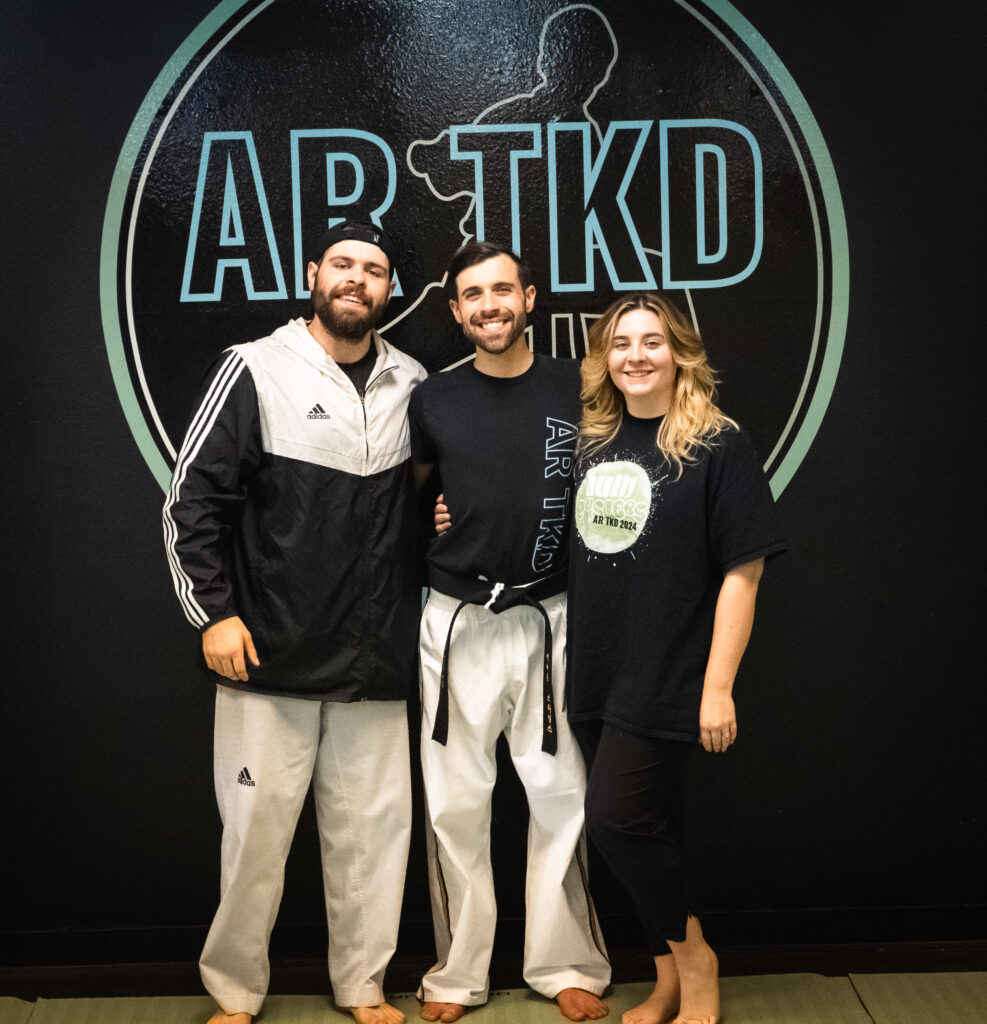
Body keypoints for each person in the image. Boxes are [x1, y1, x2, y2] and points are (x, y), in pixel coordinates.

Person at [162, 215, 426, 1024]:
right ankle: (235, 997)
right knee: (253, 845)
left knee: (373, 845)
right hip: (267, 658)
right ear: (314, 273)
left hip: (374, 662)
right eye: (342, 264)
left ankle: (363, 989)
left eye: (372, 270)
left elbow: (433, 500)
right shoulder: (254, 368)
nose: (356, 279)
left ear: (390, 291)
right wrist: (213, 614)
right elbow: (190, 505)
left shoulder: (414, 381)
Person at [565, 293, 787, 1024]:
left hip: (669, 672)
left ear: (679, 353)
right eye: (619, 344)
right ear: (604, 359)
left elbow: (742, 571)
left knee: (616, 821)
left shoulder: (716, 443)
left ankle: (696, 965)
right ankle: (665, 979)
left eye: (650, 342)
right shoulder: (594, 440)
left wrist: (716, 687)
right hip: (596, 666)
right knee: (653, 829)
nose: (635, 355)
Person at [409, 241, 612, 1023]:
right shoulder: (433, 399)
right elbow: (415, 493)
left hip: (551, 612)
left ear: (529, 298)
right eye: (472, 295)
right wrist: (439, 519)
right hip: (456, 617)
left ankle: (564, 963)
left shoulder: (579, 383)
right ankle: (457, 976)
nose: (489, 305)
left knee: (560, 794)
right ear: (456, 312)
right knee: (455, 802)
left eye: (502, 290)